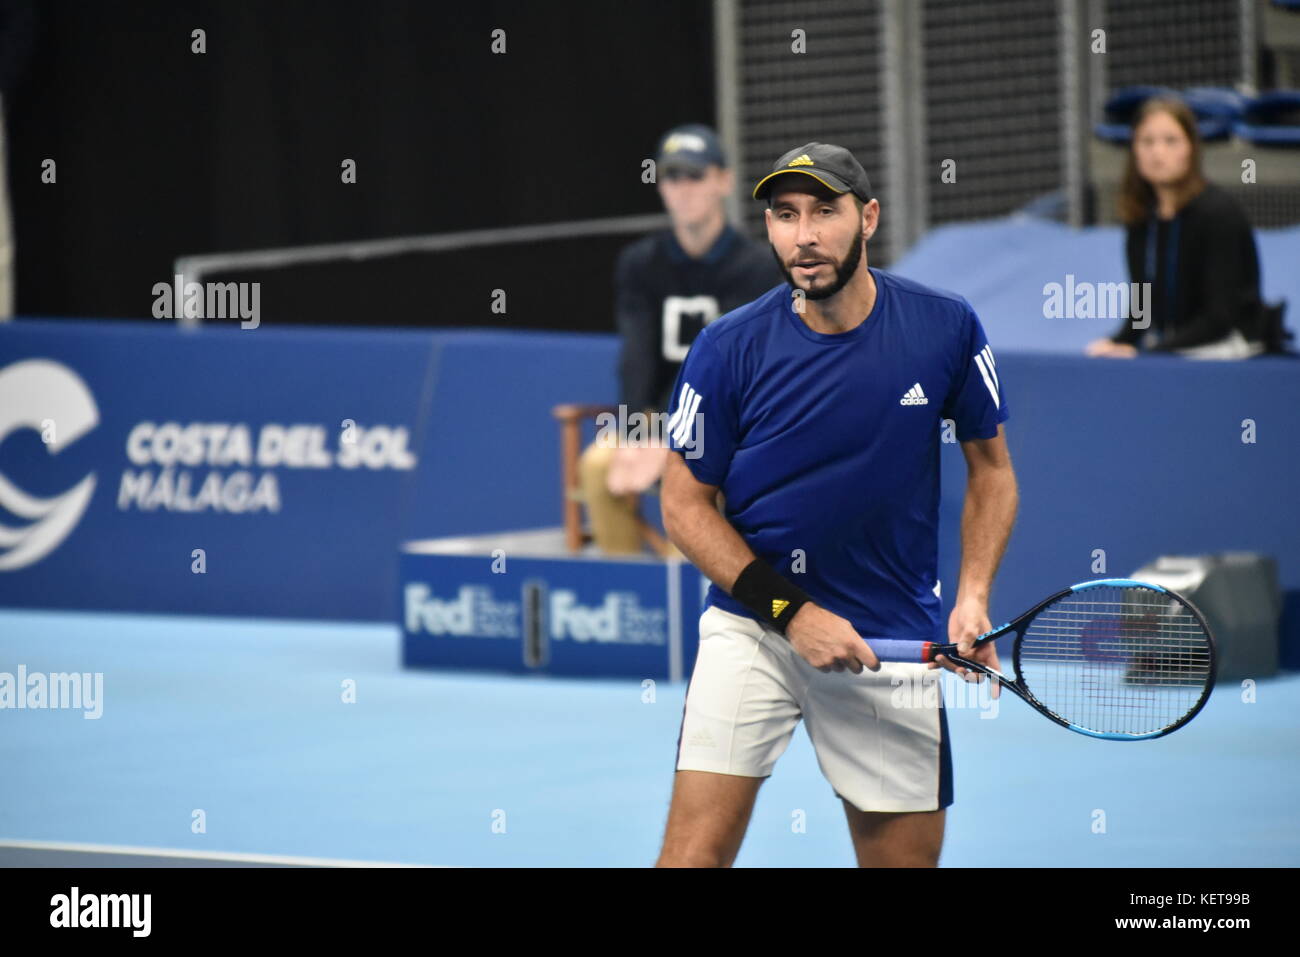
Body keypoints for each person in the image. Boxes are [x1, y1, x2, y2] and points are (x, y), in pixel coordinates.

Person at [654, 142, 1019, 868]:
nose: (804, 234)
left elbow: (993, 471)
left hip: (890, 634)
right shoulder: (727, 348)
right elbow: (684, 504)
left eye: (825, 211)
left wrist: (973, 595)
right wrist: (793, 612)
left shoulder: (944, 327)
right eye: (784, 215)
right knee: (691, 859)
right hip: (755, 627)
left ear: (869, 217)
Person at [577, 124, 781, 555]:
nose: (683, 189)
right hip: (656, 420)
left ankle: (695, 588)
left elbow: (727, 365)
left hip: (730, 420)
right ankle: (627, 592)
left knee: (688, 479)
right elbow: (636, 356)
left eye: (695, 175)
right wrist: (635, 430)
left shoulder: (757, 267)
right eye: (672, 177)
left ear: (723, 181)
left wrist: (673, 436)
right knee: (598, 466)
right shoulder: (640, 263)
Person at [1085, 96, 1272, 359]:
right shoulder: (1141, 220)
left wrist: (1153, 353)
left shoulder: (1219, 214)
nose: (1157, 152)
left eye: (1171, 141)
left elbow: (1220, 318)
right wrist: (1118, 342)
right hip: (1169, 349)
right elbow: (1142, 307)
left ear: (1191, 149)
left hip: (1229, 348)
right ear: (1134, 150)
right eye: (1147, 141)